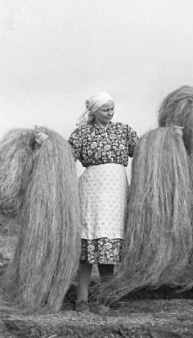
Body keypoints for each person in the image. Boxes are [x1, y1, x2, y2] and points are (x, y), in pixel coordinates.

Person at [69, 92, 138, 312]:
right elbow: (64, 156)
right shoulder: (82, 133)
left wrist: (169, 137)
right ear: (94, 111)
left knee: (109, 245)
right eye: (106, 109)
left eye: (112, 108)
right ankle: (82, 299)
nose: (111, 113)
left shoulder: (123, 130)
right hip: (91, 191)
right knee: (88, 242)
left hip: (116, 193)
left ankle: (107, 296)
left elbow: (145, 151)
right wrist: (44, 143)